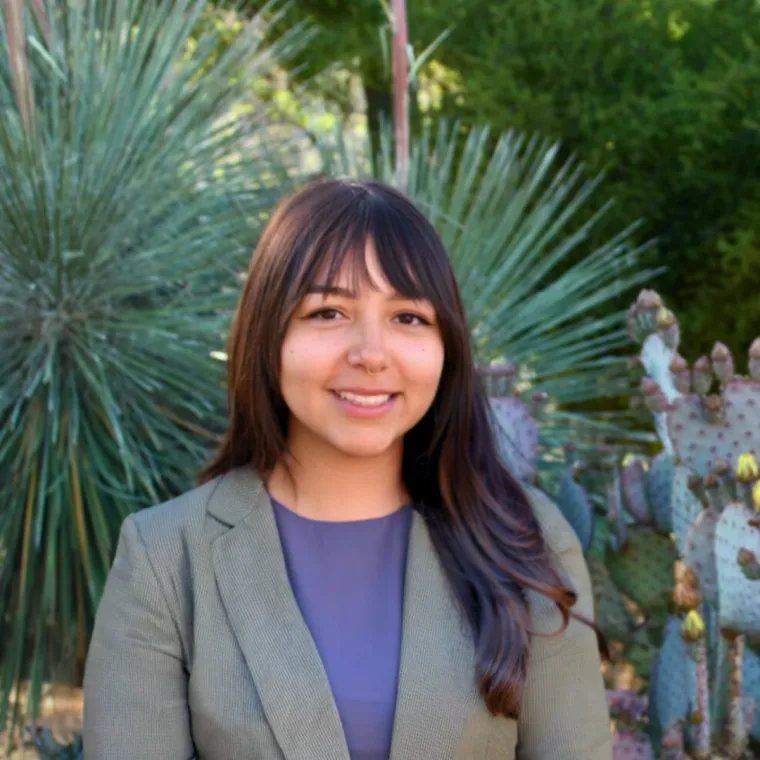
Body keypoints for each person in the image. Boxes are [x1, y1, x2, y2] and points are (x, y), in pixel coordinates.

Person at [82, 178, 613, 759]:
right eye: (329, 311)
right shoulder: (166, 559)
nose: (371, 352)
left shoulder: (526, 540)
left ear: (447, 346)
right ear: (269, 333)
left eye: (408, 317)